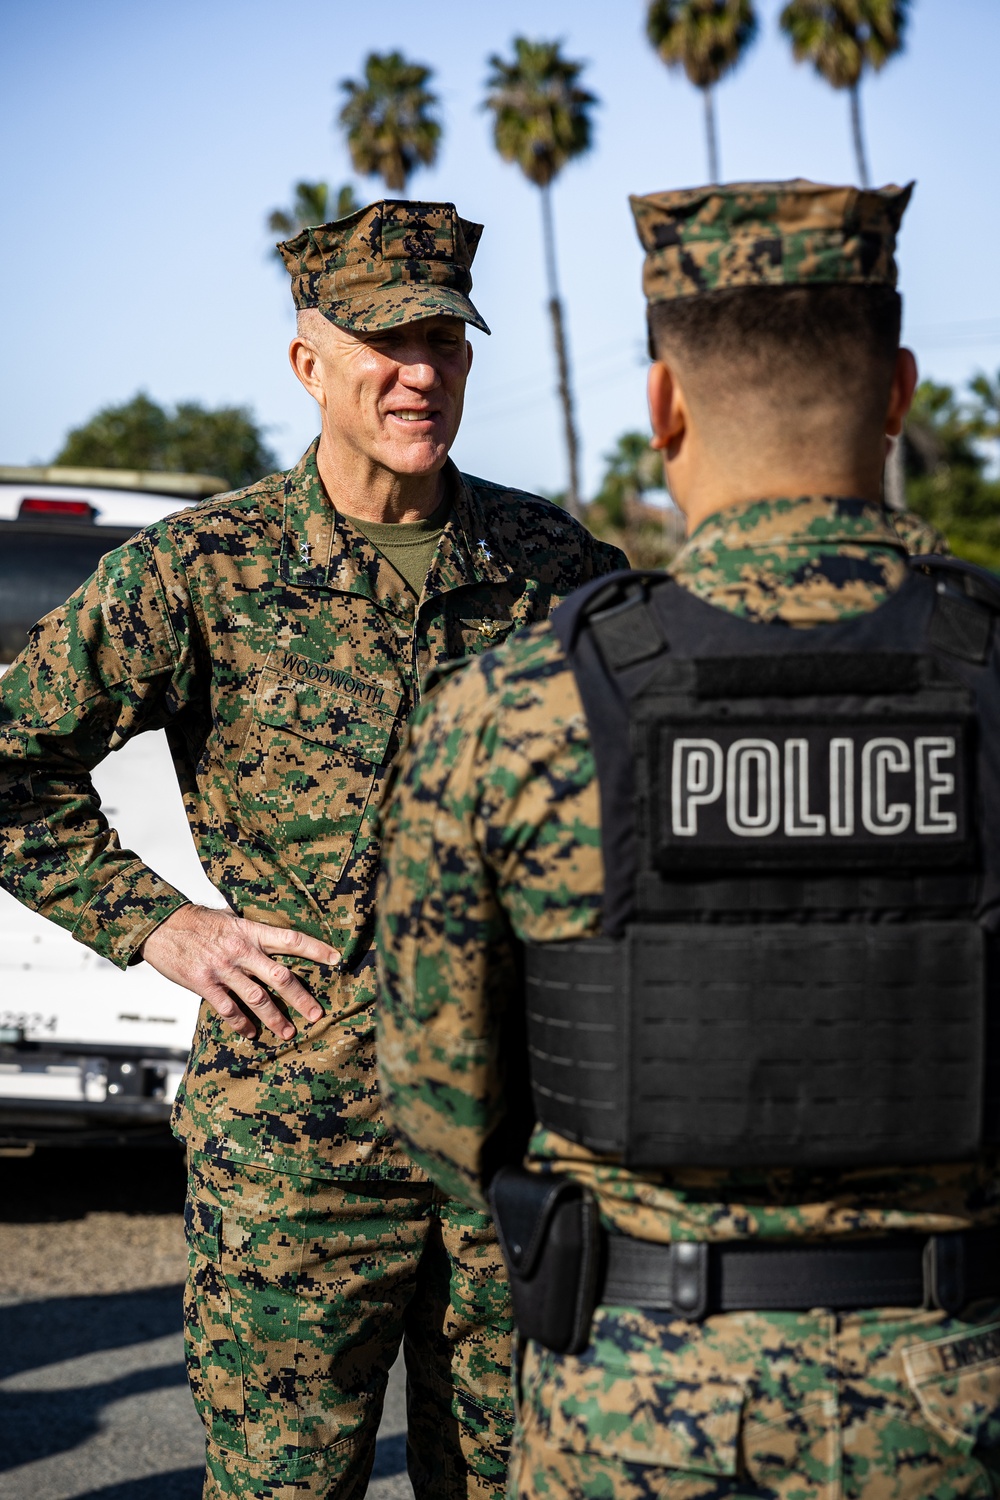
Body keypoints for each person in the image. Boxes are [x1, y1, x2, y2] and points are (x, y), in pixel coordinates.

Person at [376, 180, 1000, 1499]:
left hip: (638, 1415)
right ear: (898, 393)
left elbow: (442, 1103)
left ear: (663, 403)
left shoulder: (513, 707)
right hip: (968, 1400)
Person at [0, 198, 626, 1499]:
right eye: (388, 342)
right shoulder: (202, 573)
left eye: (445, 341)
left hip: (511, 1151)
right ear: (309, 363)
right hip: (293, 1160)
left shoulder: (549, 567)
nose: (420, 372)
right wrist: (165, 927)